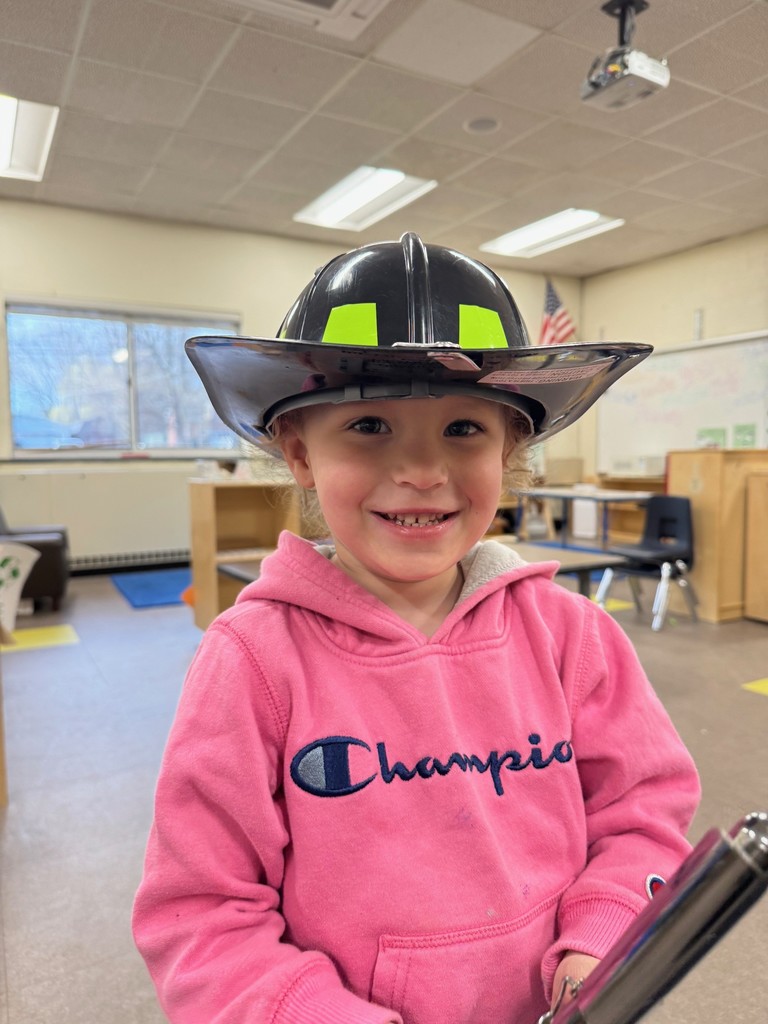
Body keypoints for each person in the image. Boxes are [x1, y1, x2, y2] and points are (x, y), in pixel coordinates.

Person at [133, 233, 700, 1024]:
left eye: (464, 429)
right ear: (299, 451)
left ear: (511, 448)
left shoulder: (574, 636)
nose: (422, 470)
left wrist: (602, 937)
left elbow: (643, 811)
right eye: (369, 426)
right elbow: (201, 914)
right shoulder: (252, 663)